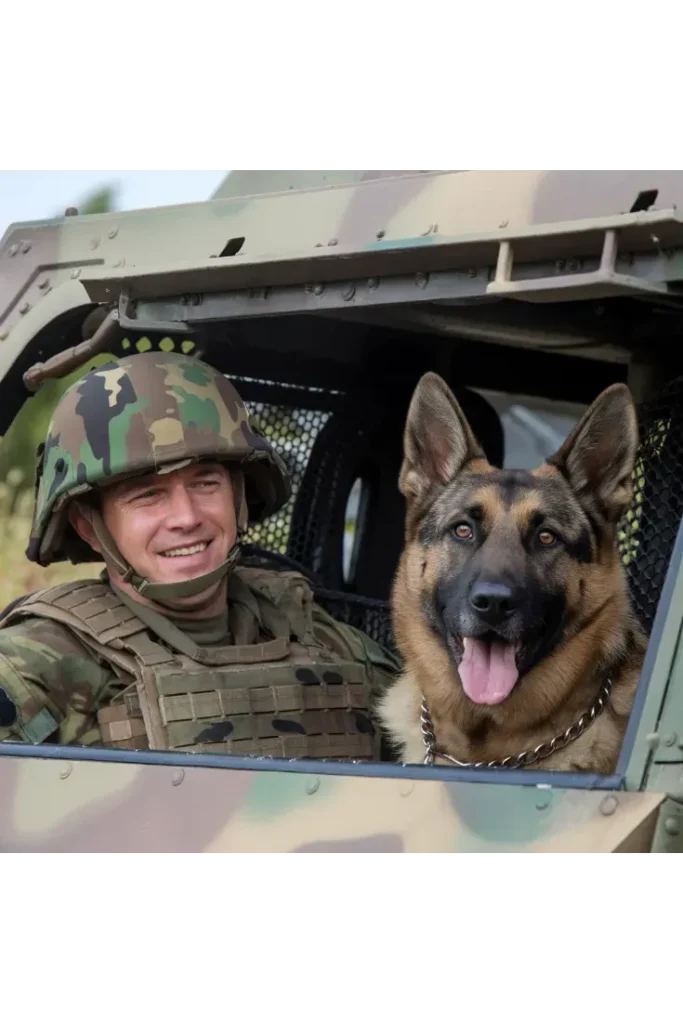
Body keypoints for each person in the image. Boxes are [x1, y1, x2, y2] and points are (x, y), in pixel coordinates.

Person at [0, 350, 401, 760]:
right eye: (148, 495)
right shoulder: (32, 665)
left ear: (239, 497)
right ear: (90, 527)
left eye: (205, 483)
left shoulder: (311, 629)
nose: (186, 517)